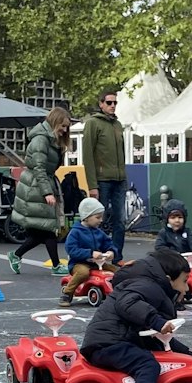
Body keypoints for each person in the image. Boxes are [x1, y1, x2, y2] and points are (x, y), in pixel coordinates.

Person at [79, 248, 192, 383]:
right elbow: (127, 304)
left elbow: (158, 338)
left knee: (150, 356)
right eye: (184, 281)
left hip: (110, 340)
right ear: (168, 278)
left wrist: (185, 353)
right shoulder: (149, 287)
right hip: (109, 342)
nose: (187, 288)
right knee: (148, 364)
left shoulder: (148, 286)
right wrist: (157, 321)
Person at [10, 107, 71, 275]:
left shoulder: (50, 140)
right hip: (35, 187)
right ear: (55, 121)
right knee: (47, 230)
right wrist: (47, 192)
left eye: (67, 127)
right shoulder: (41, 140)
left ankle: (16, 255)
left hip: (39, 185)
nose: (65, 130)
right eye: (63, 126)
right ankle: (56, 266)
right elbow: (39, 168)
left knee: (43, 231)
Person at [84, 89, 128, 263]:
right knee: (97, 220)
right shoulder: (92, 123)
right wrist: (92, 184)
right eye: (109, 102)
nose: (112, 106)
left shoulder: (117, 125)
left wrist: (124, 174)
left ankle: (116, 257)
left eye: (115, 103)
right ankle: (96, 256)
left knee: (120, 220)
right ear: (101, 104)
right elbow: (87, 155)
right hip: (102, 180)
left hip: (119, 179)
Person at [62, 197, 118, 305]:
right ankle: (67, 293)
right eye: (98, 217)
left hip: (97, 263)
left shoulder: (98, 232)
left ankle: (119, 291)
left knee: (116, 271)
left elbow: (108, 243)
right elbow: (71, 250)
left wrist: (111, 252)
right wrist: (90, 253)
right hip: (78, 263)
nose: (101, 220)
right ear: (87, 217)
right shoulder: (75, 232)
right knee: (83, 273)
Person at [154, 200, 192, 273]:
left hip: (187, 260)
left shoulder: (187, 232)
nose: (177, 220)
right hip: (171, 261)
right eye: (173, 218)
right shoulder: (164, 233)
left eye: (180, 217)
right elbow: (159, 247)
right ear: (167, 219)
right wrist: (174, 254)